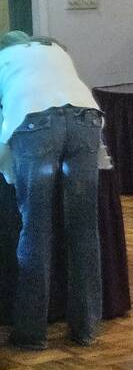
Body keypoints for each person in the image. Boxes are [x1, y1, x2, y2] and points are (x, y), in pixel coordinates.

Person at [0, 32, 104, 350]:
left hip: (35, 123)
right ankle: (85, 328)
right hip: (86, 119)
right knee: (84, 229)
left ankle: (32, 333)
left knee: (36, 229)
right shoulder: (55, 51)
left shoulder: (4, 60)